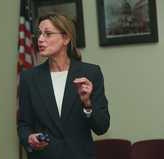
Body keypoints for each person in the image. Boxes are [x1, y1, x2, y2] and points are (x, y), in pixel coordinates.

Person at [17, 12, 110, 159]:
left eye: (48, 34)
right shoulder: (29, 78)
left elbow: (102, 127)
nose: (40, 39)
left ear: (66, 38)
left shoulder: (91, 73)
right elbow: (24, 125)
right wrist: (29, 138)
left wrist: (88, 103)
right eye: (39, 34)